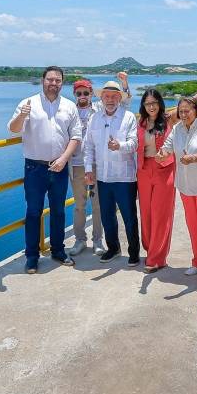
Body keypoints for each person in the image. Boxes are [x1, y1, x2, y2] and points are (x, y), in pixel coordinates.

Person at [8, 66, 82, 272]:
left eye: (58, 80)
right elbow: (14, 130)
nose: (53, 83)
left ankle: (58, 250)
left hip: (59, 166)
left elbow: (76, 136)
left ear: (62, 83)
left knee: (58, 211)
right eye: (50, 79)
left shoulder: (69, 106)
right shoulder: (28, 103)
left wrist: (64, 159)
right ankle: (32, 256)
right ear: (42, 80)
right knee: (33, 212)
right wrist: (22, 116)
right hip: (34, 168)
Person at [156, 97, 197, 285]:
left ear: (196, 110)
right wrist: (162, 155)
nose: (183, 114)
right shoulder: (177, 129)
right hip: (185, 186)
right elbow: (167, 148)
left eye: (187, 111)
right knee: (193, 226)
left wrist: (192, 158)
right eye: (181, 111)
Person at [68, 73, 132, 257]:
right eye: (79, 93)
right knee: (79, 204)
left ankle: (97, 240)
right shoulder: (69, 111)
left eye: (86, 93)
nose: (82, 96)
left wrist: (124, 84)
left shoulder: (99, 108)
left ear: (91, 94)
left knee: (98, 205)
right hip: (77, 164)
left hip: (99, 164)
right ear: (75, 94)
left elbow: (124, 104)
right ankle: (80, 240)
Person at [83, 81, 140, 265]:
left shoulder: (129, 117)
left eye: (114, 96)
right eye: (106, 96)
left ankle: (133, 252)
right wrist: (88, 170)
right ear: (101, 98)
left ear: (119, 99)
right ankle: (113, 248)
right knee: (107, 216)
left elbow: (134, 143)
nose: (110, 99)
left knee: (129, 217)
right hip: (103, 177)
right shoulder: (94, 118)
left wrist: (119, 146)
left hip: (124, 177)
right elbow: (88, 147)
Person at [137, 88, 177, 273]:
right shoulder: (141, 123)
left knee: (160, 214)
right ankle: (150, 249)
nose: (151, 106)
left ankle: (157, 258)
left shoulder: (169, 119)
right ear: (143, 106)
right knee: (145, 214)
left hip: (164, 169)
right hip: (144, 170)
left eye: (154, 103)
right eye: (147, 103)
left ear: (160, 103)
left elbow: (191, 102)